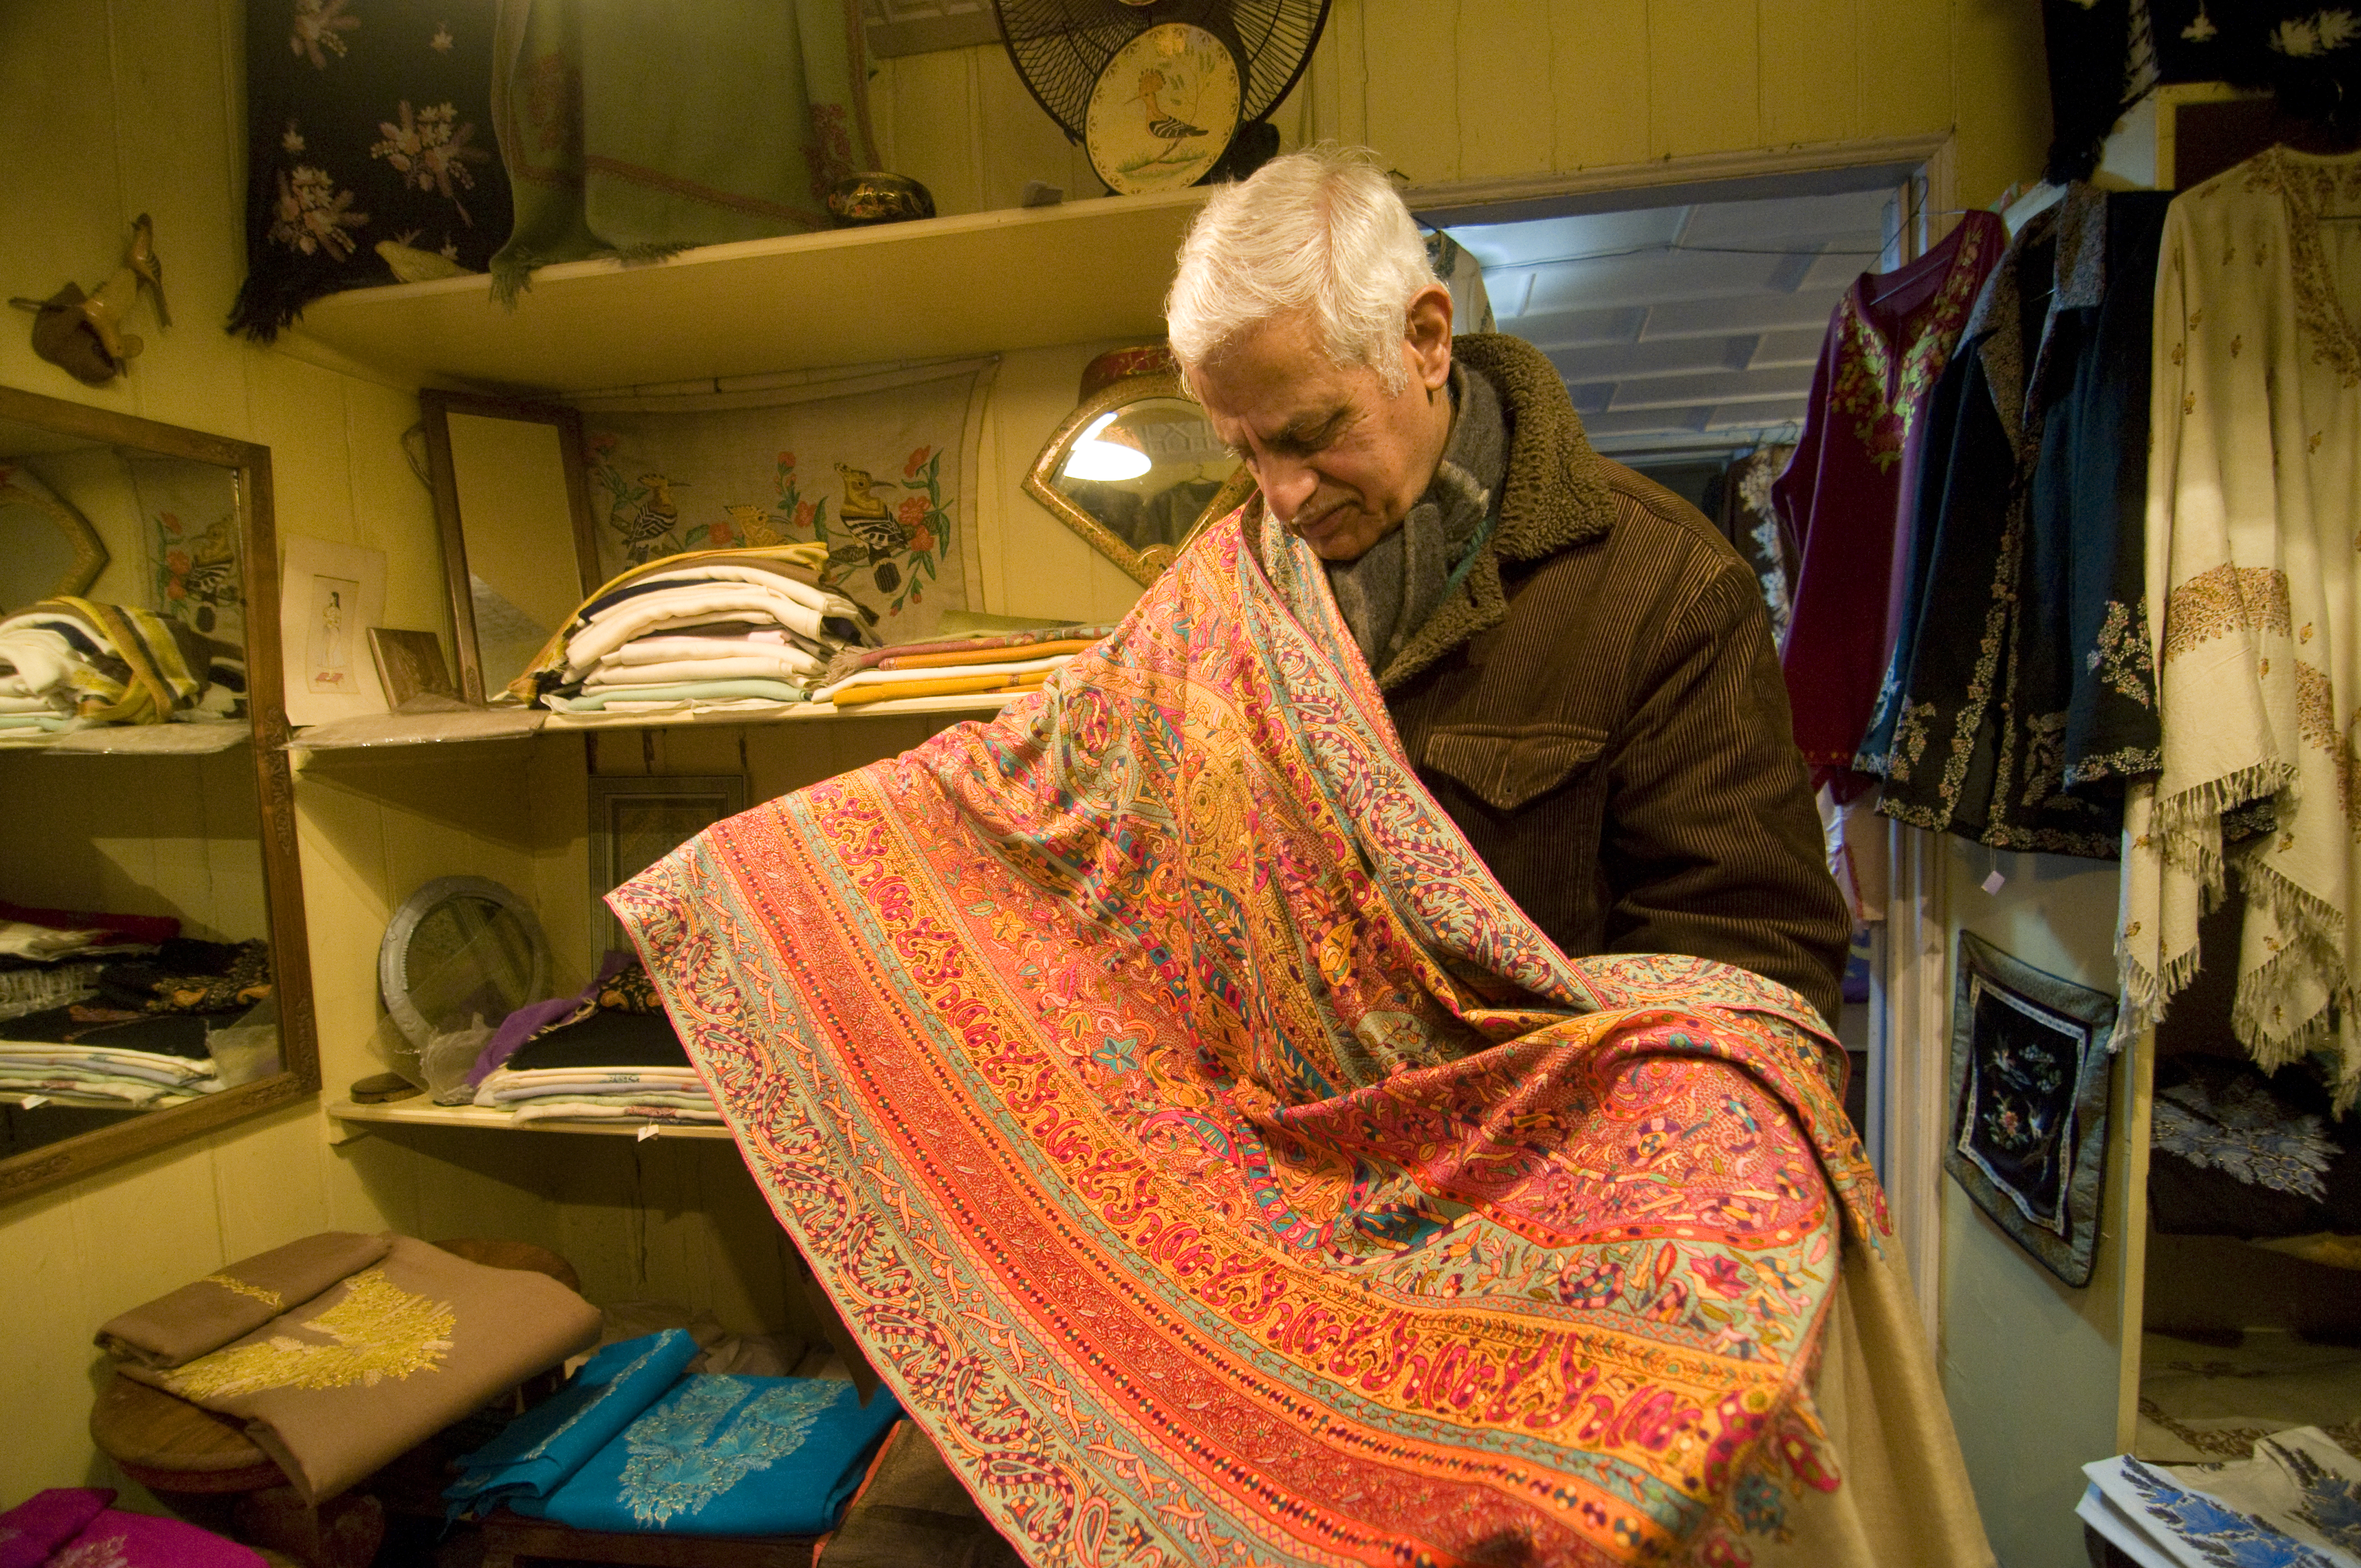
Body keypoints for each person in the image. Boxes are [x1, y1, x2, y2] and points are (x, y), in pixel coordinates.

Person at [1166, 145, 1851, 1023]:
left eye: (1312, 432)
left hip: (1555, 1143)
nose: (1281, 494)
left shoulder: (1665, 587)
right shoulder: (1215, 592)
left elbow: (1752, 960)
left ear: (1424, 341)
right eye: (1246, 450)